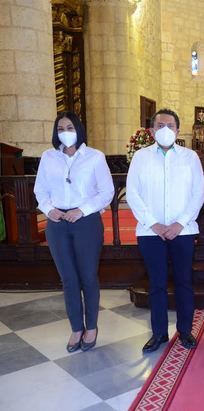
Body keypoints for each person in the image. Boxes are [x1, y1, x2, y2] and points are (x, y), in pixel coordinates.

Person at [126, 108, 204, 353]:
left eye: (170, 125)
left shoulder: (190, 157)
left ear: (177, 130)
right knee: (157, 284)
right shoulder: (140, 157)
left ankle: (185, 331)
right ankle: (159, 333)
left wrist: (179, 223)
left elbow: (198, 194)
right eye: (160, 125)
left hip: (183, 230)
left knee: (183, 282)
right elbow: (133, 194)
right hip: (151, 233)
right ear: (151, 130)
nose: (165, 130)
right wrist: (154, 224)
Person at [34, 111, 114, 352]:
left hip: (86, 222)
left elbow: (107, 192)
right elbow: (40, 191)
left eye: (69, 127)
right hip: (57, 223)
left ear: (79, 129)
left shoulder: (95, 157)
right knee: (68, 279)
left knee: (88, 277)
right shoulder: (48, 157)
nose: (65, 132)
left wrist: (82, 210)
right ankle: (76, 328)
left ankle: (91, 327)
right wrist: (49, 210)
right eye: (60, 129)